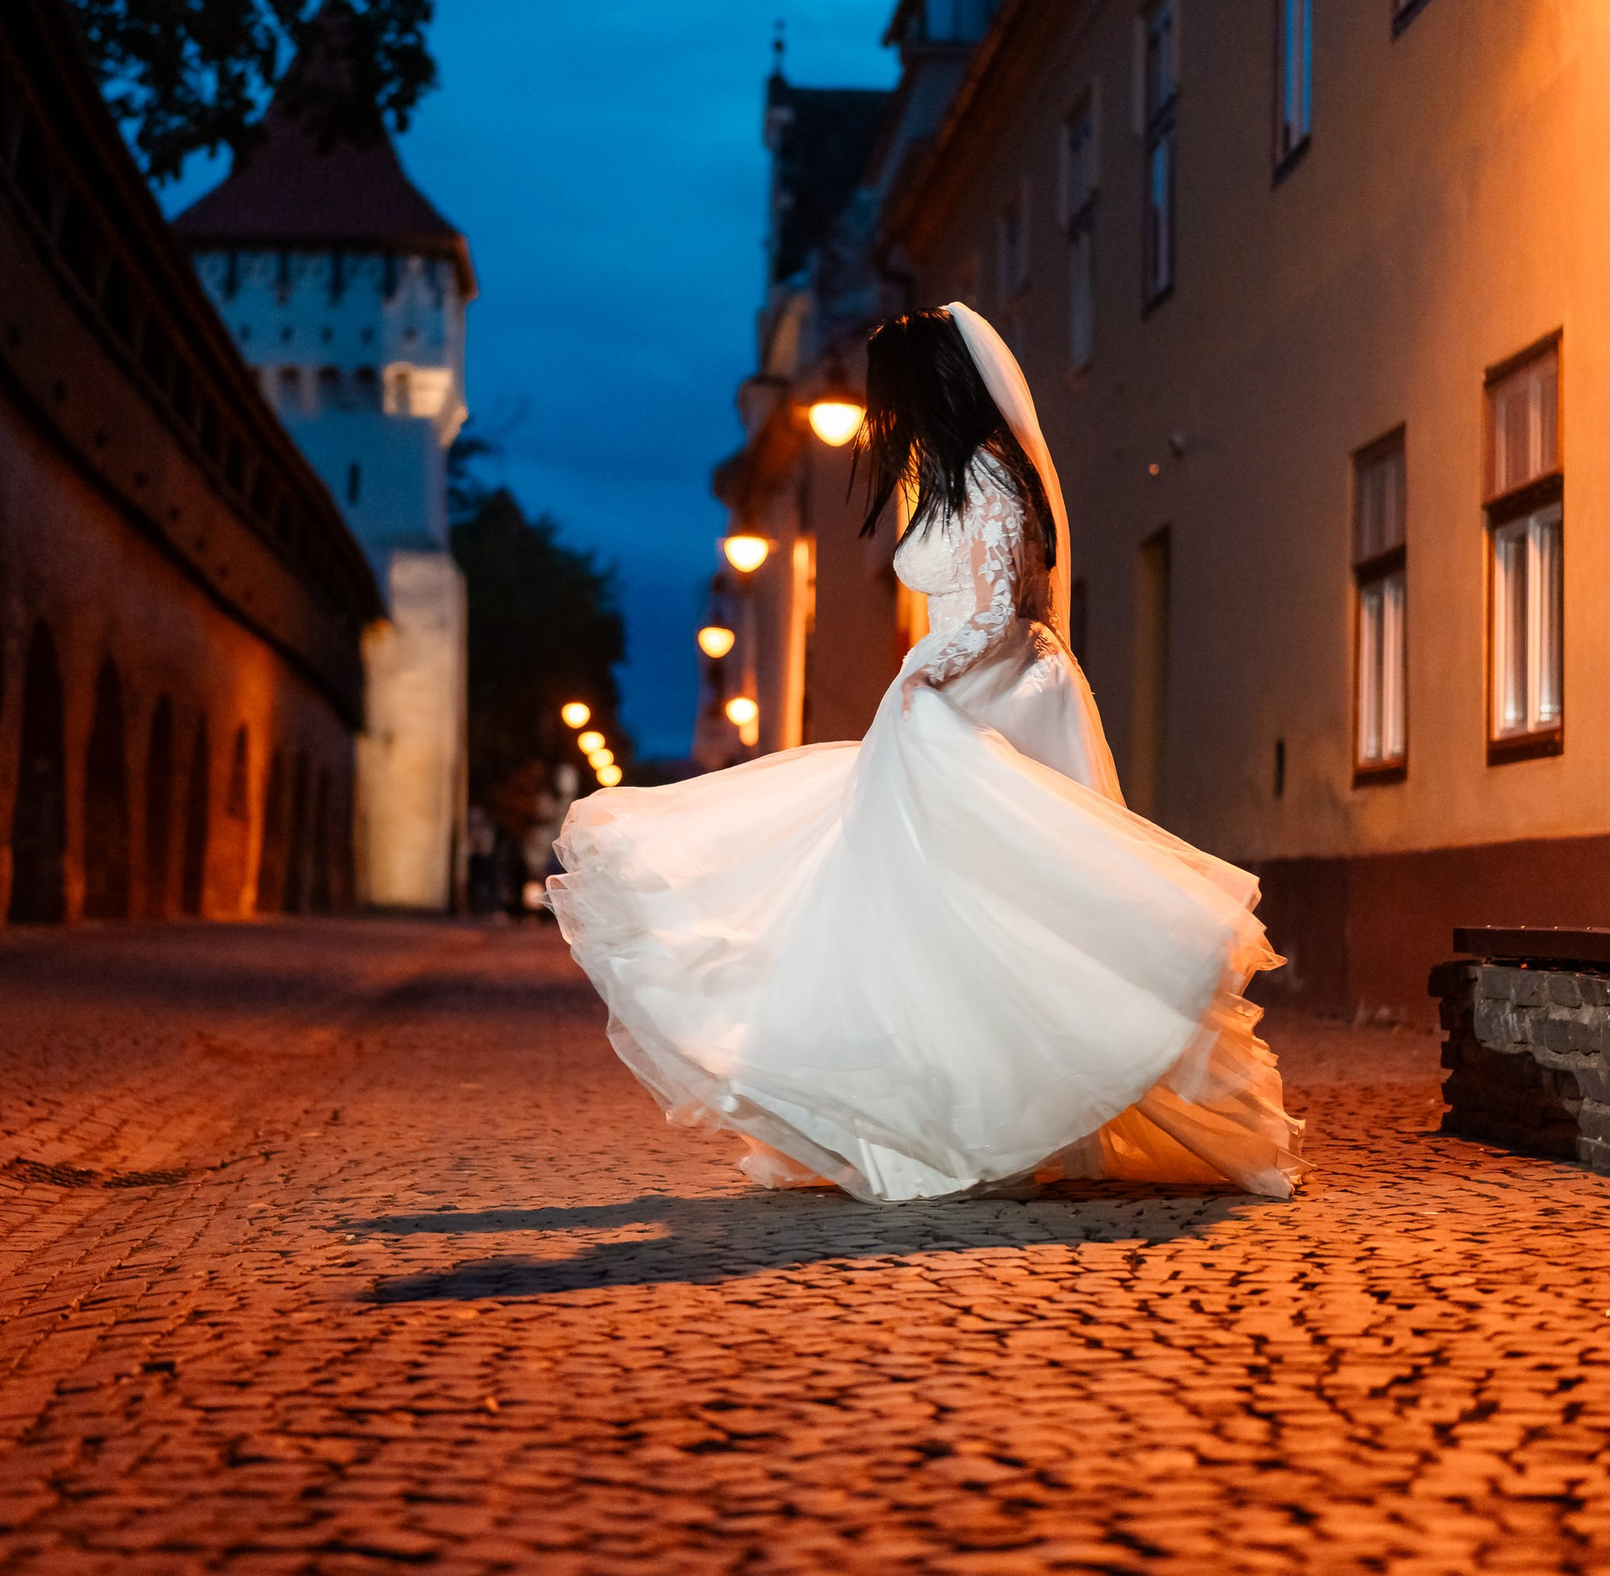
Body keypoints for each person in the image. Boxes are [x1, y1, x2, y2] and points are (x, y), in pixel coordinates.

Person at [549, 305, 1304, 1203]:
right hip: (951, 697)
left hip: (986, 701)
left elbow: (990, 614)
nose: (879, 418)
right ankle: (940, 1113)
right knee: (921, 913)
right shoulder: (950, 474)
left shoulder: (986, 471)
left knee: (992, 911)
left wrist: (921, 676)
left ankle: (976, 1117)